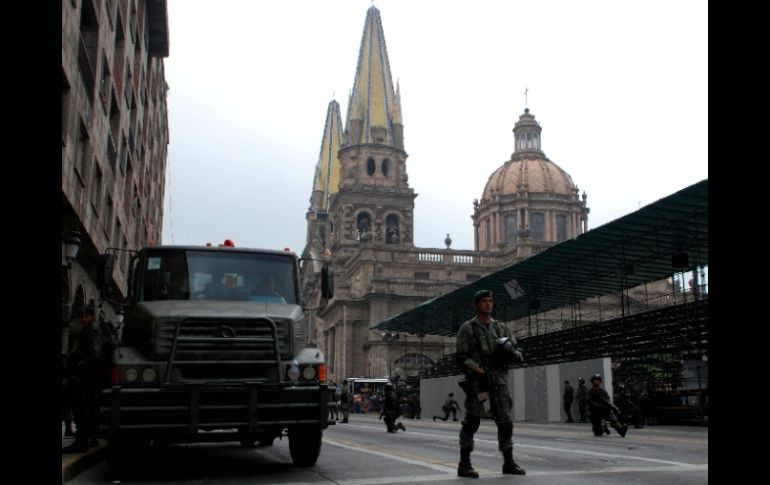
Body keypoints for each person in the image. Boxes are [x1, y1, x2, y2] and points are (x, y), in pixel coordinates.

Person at [455, 289, 525, 477]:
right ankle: (464, 463)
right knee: (473, 421)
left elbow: (516, 349)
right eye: (484, 301)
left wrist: (514, 354)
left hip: (499, 381)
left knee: (505, 421)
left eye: (490, 301)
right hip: (479, 383)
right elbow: (461, 357)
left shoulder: (501, 328)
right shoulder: (468, 328)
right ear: (477, 305)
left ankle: (508, 462)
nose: (488, 304)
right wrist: (477, 370)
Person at [62, 303, 104, 453]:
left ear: (91, 317)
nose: (82, 319)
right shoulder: (88, 330)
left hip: (87, 377)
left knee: (82, 408)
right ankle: (89, 438)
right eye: (81, 316)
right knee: (86, 408)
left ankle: (82, 442)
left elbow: (94, 354)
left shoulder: (93, 331)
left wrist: (78, 364)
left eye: (85, 316)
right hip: (86, 376)